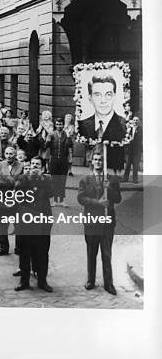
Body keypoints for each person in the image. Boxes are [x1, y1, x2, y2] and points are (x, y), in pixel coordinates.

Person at [77, 152, 122, 295]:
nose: (98, 162)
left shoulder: (112, 179)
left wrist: (109, 188)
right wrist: (98, 203)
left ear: (104, 162)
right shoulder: (85, 179)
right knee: (91, 252)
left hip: (107, 222)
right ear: (92, 161)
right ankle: (91, 280)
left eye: (100, 159)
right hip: (91, 221)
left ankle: (108, 283)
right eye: (95, 159)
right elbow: (81, 198)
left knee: (106, 254)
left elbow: (118, 199)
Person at [14, 156, 54, 293]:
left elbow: (51, 193)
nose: (34, 167)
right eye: (32, 164)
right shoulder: (23, 178)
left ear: (42, 168)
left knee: (43, 252)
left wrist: (41, 178)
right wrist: (30, 178)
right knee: (25, 253)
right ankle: (24, 281)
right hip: (27, 221)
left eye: (37, 165)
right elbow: (17, 193)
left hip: (42, 221)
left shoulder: (47, 179)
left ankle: (42, 281)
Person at [77, 74, 127, 142]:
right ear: (90, 98)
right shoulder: (81, 126)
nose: (103, 101)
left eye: (108, 94)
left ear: (114, 97)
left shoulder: (125, 125)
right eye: (97, 95)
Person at [0, 146, 24, 256]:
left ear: (15, 155)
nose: (9, 156)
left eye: (11, 153)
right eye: (7, 153)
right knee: (2, 226)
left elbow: (22, 181)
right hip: (3, 199)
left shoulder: (21, 166)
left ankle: (19, 248)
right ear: (4, 154)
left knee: (18, 226)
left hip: (16, 200)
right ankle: (3, 248)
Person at [45, 118, 72, 207]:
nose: (59, 126)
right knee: (54, 180)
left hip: (64, 160)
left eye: (60, 124)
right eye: (57, 124)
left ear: (63, 125)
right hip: (54, 160)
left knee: (62, 180)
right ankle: (55, 200)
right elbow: (46, 146)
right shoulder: (52, 134)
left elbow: (69, 145)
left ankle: (62, 200)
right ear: (55, 125)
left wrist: (68, 136)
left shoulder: (66, 134)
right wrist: (48, 138)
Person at [123, 116, 142, 183]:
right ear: (132, 121)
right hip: (129, 150)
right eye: (134, 120)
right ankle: (125, 179)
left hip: (136, 150)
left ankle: (135, 179)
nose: (135, 121)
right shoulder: (129, 129)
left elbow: (139, 139)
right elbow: (126, 137)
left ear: (138, 122)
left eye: (137, 120)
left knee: (135, 165)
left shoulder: (141, 129)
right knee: (127, 165)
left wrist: (132, 140)